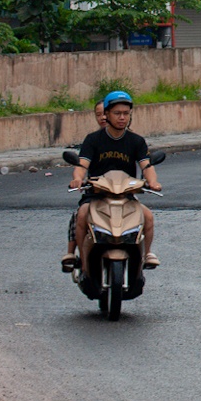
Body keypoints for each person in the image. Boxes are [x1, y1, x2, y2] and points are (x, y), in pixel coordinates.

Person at [63, 90, 161, 272]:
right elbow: (82, 164)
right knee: (82, 214)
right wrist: (77, 179)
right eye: (117, 113)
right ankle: (82, 262)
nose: (122, 118)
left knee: (147, 216)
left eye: (125, 113)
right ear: (106, 114)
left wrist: (153, 182)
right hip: (97, 194)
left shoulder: (137, 141)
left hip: (126, 194)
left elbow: (146, 166)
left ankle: (147, 254)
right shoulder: (93, 139)